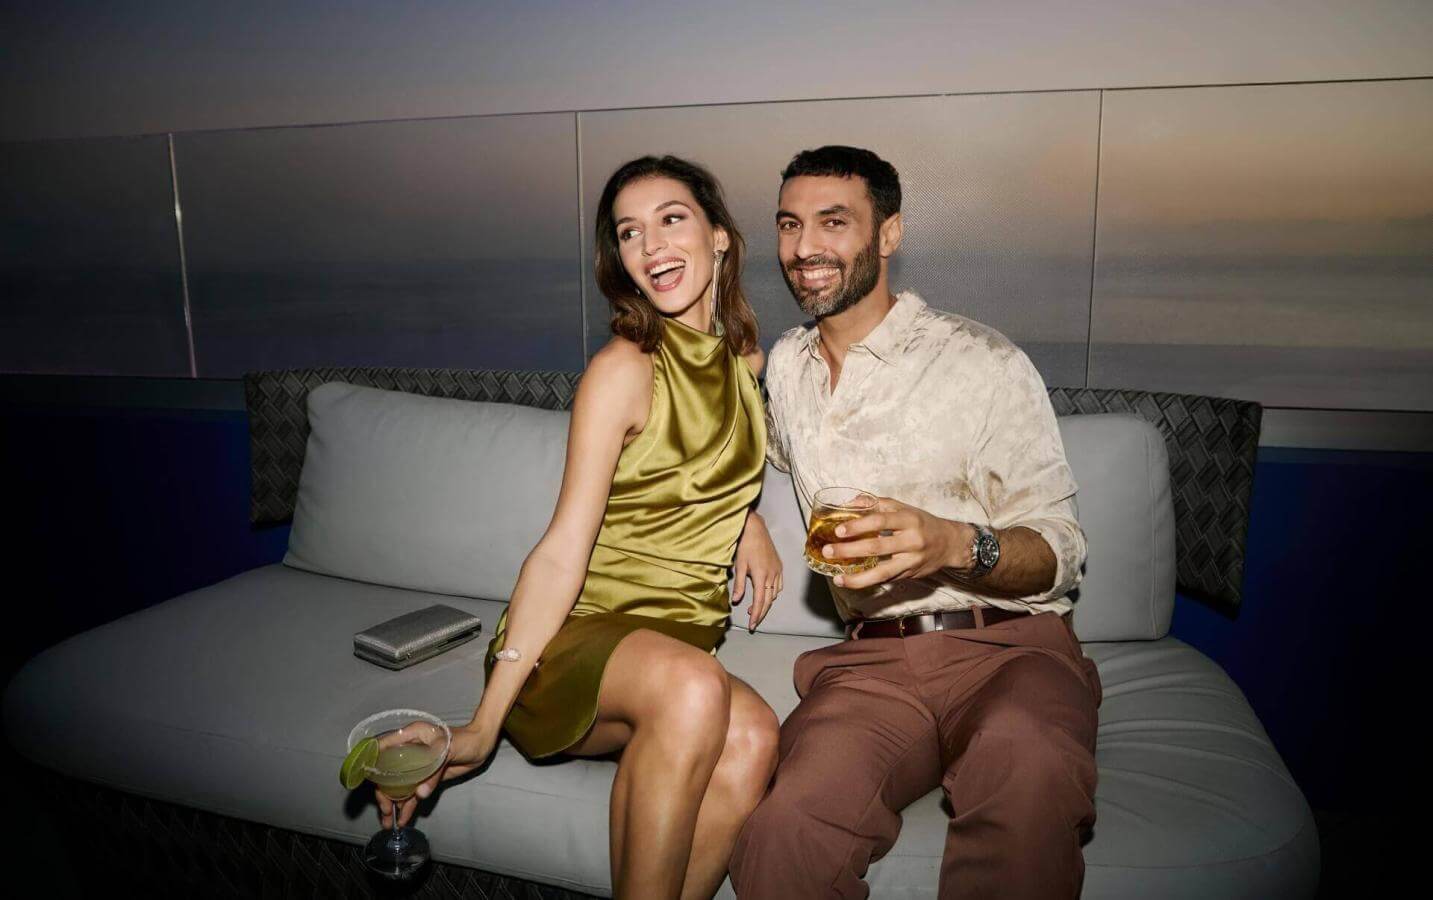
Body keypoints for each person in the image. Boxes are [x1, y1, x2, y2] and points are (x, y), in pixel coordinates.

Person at [377, 156, 785, 900]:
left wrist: (745, 514)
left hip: (675, 649)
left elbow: (710, 457)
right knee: (697, 689)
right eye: (629, 233)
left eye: (671, 219)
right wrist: (482, 723)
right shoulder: (623, 368)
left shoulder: (745, 361)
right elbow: (564, 548)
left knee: (756, 734)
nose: (651, 246)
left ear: (720, 238)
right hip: (580, 640)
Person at [730, 146, 1103, 899]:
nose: (805, 248)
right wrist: (744, 516)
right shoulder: (788, 371)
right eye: (789, 225)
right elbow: (726, 450)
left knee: (1025, 766)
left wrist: (952, 543)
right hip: (871, 668)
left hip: (1006, 648)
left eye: (833, 223)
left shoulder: (980, 363)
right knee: (783, 833)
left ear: (888, 235)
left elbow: (1060, 552)